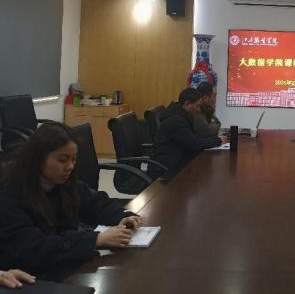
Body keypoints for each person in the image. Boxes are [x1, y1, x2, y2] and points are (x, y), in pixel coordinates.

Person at [0, 123, 142, 281]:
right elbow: (34, 248)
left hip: (65, 264)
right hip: (31, 276)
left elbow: (95, 202)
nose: (70, 166)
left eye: (73, 159)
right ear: (38, 159)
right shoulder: (11, 193)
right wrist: (96, 240)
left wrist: (123, 215)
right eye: (62, 160)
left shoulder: (61, 181)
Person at [150, 88, 225, 179]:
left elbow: (195, 137)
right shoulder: (176, 121)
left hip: (177, 161)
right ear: (187, 104)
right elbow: (194, 143)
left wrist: (215, 139)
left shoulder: (182, 116)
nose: (199, 110)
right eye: (197, 106)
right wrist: (218, 141)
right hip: (167, 168)